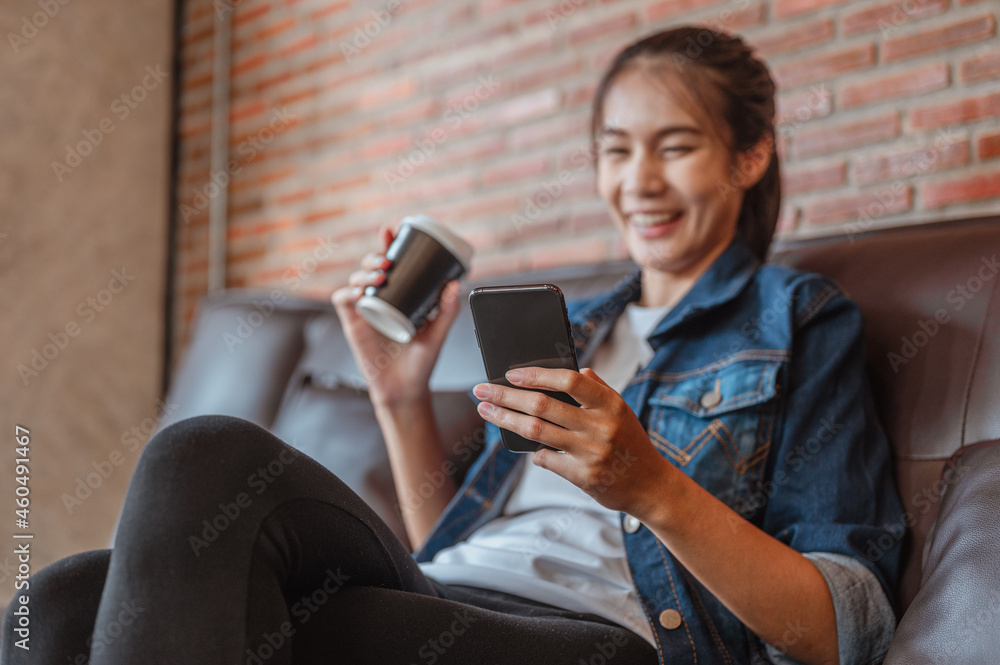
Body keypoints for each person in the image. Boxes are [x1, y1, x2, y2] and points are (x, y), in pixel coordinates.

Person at [2, 26, 903, 665]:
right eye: (615, 150)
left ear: (748, 159)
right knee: (66, 597)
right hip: (446, 594)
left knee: (201, 464)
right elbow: (454, 540)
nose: (638, 181)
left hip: (607, 634)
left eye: (674, 147)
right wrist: (399, 393)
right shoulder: (573, 322)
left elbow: (843, 628)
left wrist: (651, 485)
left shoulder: (800, 319)